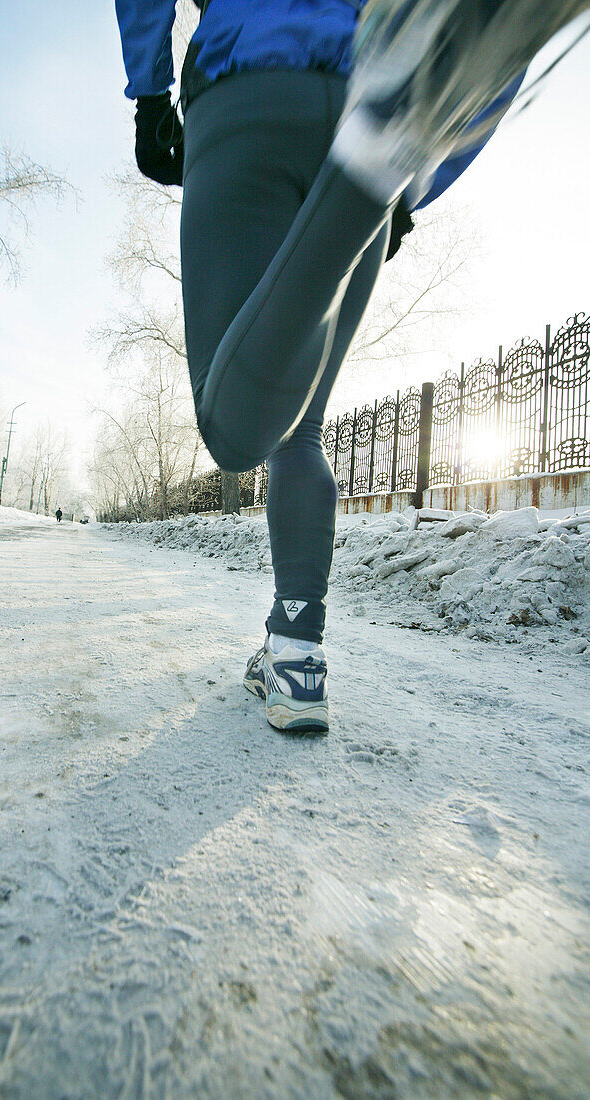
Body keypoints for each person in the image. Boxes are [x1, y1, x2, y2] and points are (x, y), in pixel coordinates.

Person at [115, 0, 587, 732]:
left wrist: (148, 97)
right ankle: (295, 657)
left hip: (246, 79)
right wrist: (417, 180)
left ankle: (367, 169)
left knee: (237, 436)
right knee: (302, 431)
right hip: (368, 83)